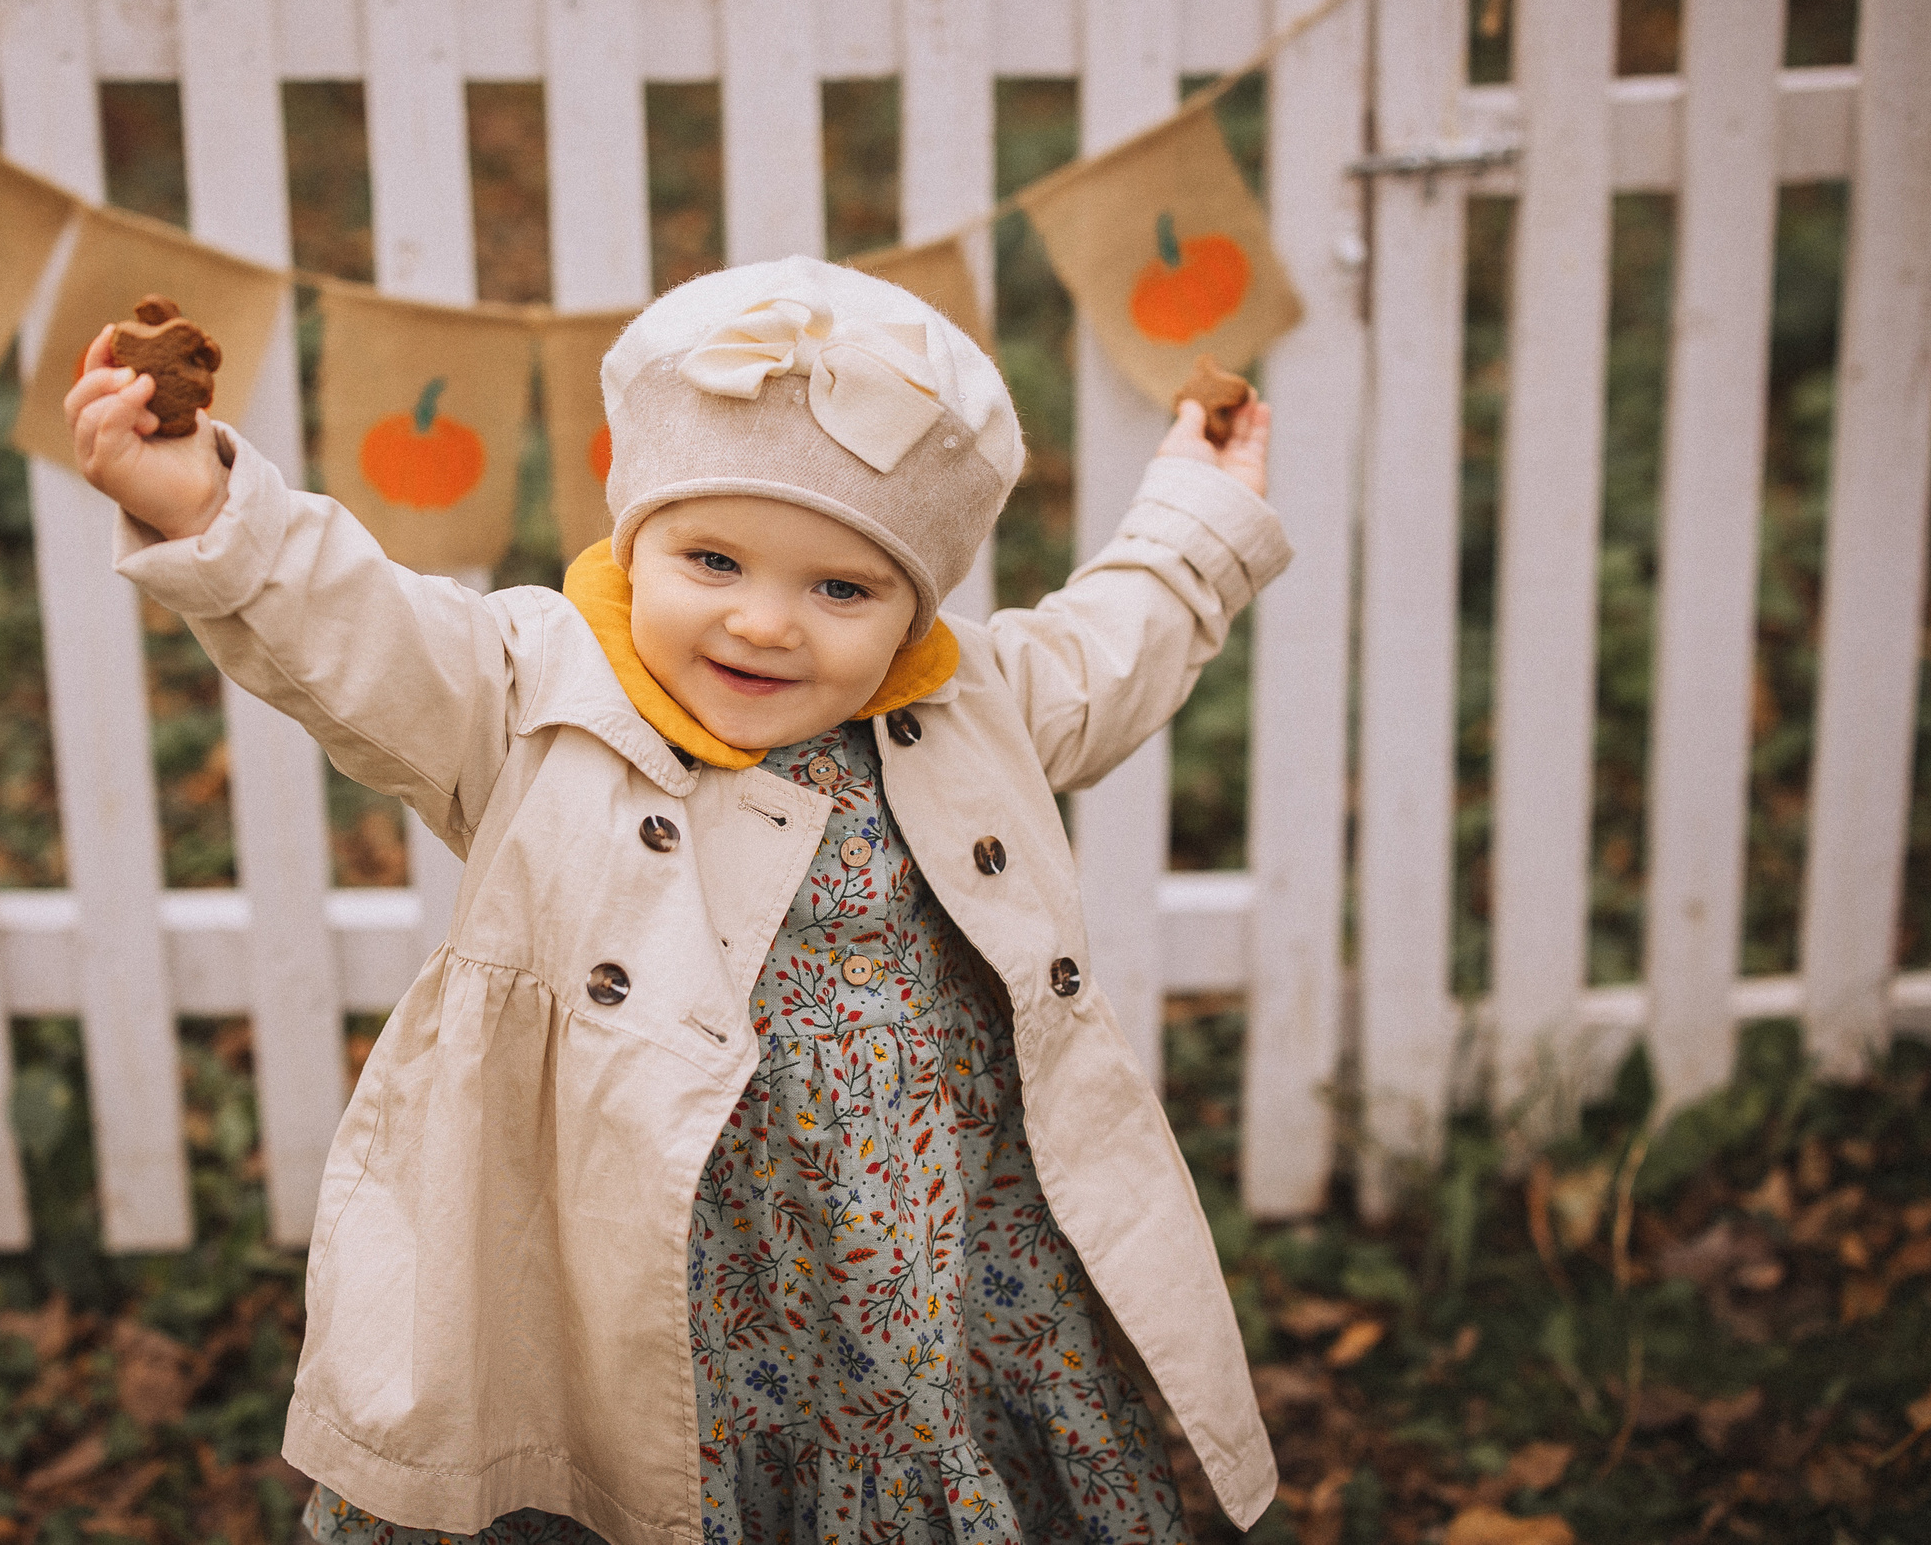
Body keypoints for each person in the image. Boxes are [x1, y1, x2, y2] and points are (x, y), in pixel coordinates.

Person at [66, 257, 1286, 1545]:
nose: (764, 623)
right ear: (632, 541)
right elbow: (352, 627)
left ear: (913, 606)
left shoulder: (964, 702)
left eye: (842, 588)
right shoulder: (527, 698)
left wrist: (1198, 515)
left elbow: (1108, 651)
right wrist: (207, 504)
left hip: (912, 1268)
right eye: (713, 559)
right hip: (645, 1277)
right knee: (653, 1477)